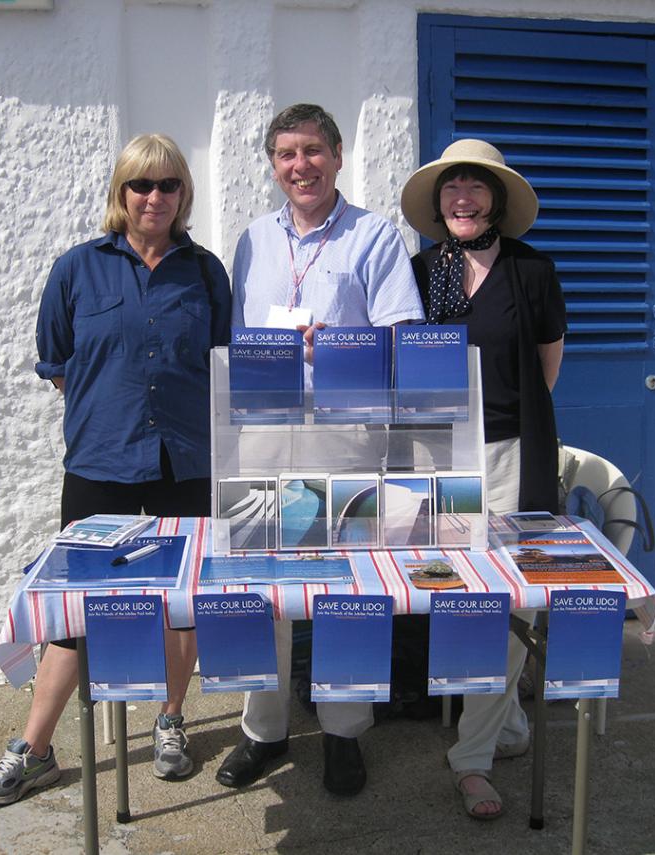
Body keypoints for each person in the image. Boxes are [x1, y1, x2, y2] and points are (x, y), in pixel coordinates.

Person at [0, 134, 231, 807]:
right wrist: (113, 410)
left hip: (185, 459)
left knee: (180, 604)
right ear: (121, 193)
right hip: (102, 459)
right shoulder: (77, 269)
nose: (155, 197)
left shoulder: (205, 273)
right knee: (73, 607)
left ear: (184, 194)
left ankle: (170, 720)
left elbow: (222, 362)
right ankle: (36, 748)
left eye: (169, 185)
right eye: (141, 185)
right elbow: (58, 363)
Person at [219, 103, 424, 796]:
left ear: (337, 156)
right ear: (273, 165)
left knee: (346, 588)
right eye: (286, 154)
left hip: (345, 437)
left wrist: (334, 348)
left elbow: (403, 338)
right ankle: (263, 729)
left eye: (312, 150)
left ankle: (344, 731)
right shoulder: (252, 240)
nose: (300, 165)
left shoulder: (374, 235)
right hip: (262, 434)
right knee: (258, 586)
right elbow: (239, 339)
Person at [399, 138, 566, 820]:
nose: (462, 197)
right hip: (439, 455)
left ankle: (471, 759)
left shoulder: (531, 271)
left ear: (495, 199)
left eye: (475, 186)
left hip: (510, 454)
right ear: (439, 202)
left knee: (510, 600)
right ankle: (506, 723)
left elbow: (547, 365)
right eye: (451, 186)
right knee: (457, 597)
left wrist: (508, 427)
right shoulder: (419, 271)